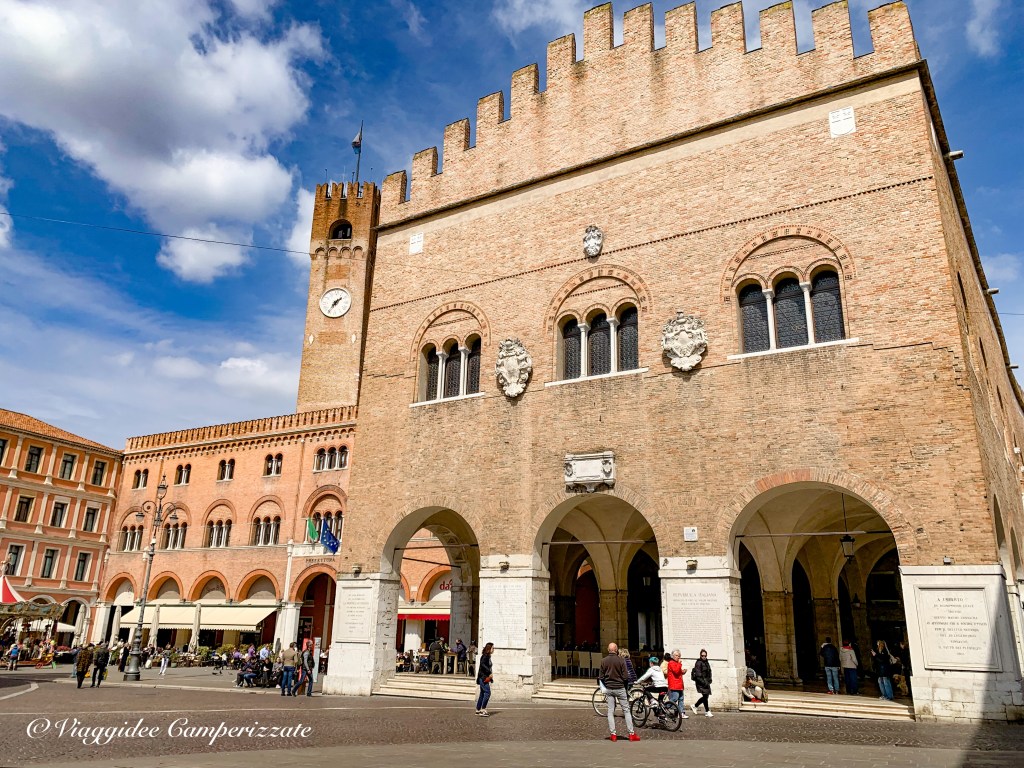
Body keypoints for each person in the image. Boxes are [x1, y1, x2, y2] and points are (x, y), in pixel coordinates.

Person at [597, 642, 638, 742]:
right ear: (616, 650)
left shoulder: (604, 661)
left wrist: (606, 682)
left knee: (610, 711)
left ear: (608, 649)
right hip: (620, 688)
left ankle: (613, 734)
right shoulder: (621, 660)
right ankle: (631, 734)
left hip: (609, 688)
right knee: (626, 710)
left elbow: (601, 676)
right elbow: (625, 676)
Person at [635, 656, 671, 726]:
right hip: (665, 687)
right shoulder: (660, 669)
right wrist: (652, 683)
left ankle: (652, 700)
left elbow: (644, 677)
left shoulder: (651, 669)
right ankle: (661, 716)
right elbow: (659, 678)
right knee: (660, 701)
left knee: (646, 689)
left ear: (651, 663)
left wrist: (637, 682)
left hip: (658, 686)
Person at [666, 649, 688, 717]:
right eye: (676, 655)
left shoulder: (676, 663)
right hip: (674, 684)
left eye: (679, 656)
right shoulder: (671, 663)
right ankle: (664, 707)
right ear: (672, 656)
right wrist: (680, 664)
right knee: (674, 699)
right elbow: (675, 671)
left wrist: (683, 672)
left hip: (679, 684)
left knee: (681, 699)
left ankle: (681, 713)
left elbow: (678, 672)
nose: (678, 657)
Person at [691, 649, 713, 716]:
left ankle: (695, 706)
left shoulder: (706, 662)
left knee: (706, 696)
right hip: (701, 682)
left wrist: (709, 680)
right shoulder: (698, 663)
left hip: (706, 682)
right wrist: (704, 682)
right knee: (705, 696)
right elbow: (698, 675)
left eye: (705, 655)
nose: (704, 657)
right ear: (700, 655)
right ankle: (707, 711)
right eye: (702, 655)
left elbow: (709, 671)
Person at [475, 642, 494, 717]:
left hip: (484, 677)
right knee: (487, 692)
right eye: (493, 648)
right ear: (489, 649)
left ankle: (478, 709)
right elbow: (482, 665)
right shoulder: (485, 656)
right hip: (483, 677)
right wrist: (489, 672)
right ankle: (483, 709)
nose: (493, 649)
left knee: (482, 694)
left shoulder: (487, 656)